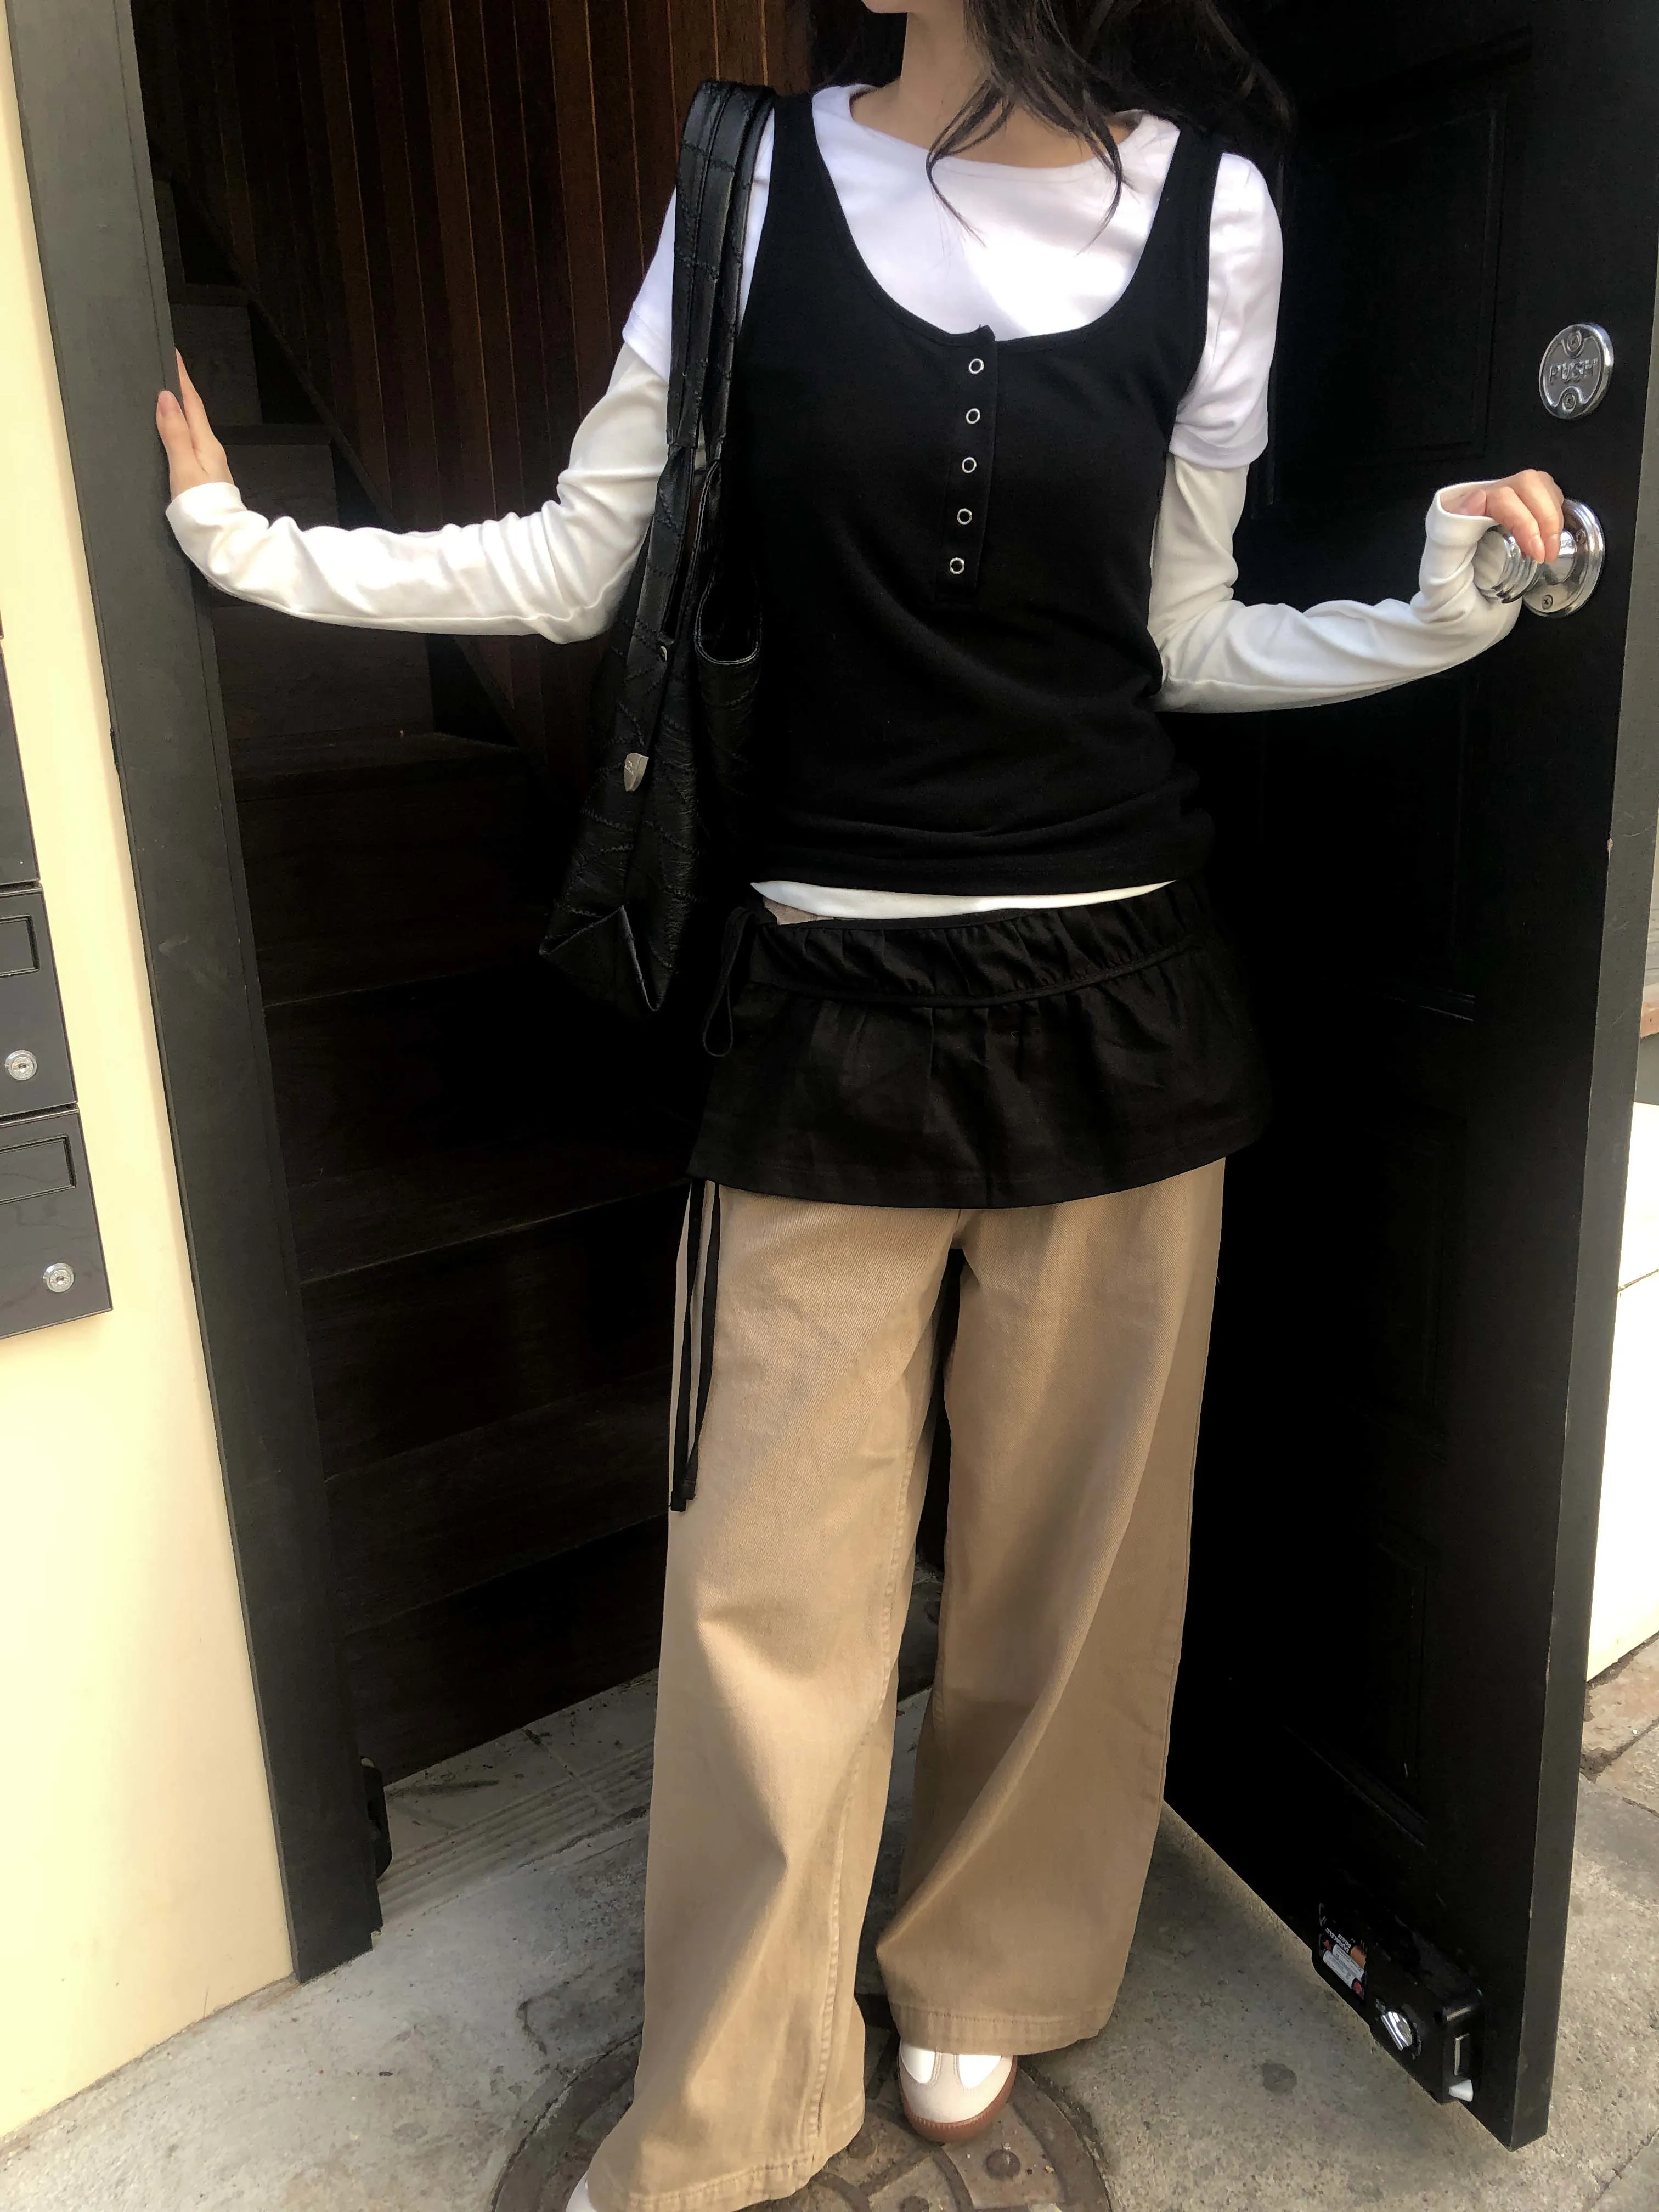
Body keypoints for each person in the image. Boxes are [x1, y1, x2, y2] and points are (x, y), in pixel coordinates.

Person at [157, 4, 1564, 2209]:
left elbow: (1186, 635)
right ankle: (735, 2090)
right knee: (765, 1592)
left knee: (1070, 1572)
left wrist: (1439, 617)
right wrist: (256, 549)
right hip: (822, 1006)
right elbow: (578, 560)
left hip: (1121, 1004)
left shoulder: (1219, 217)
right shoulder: (745, 181)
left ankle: (992, 1965)